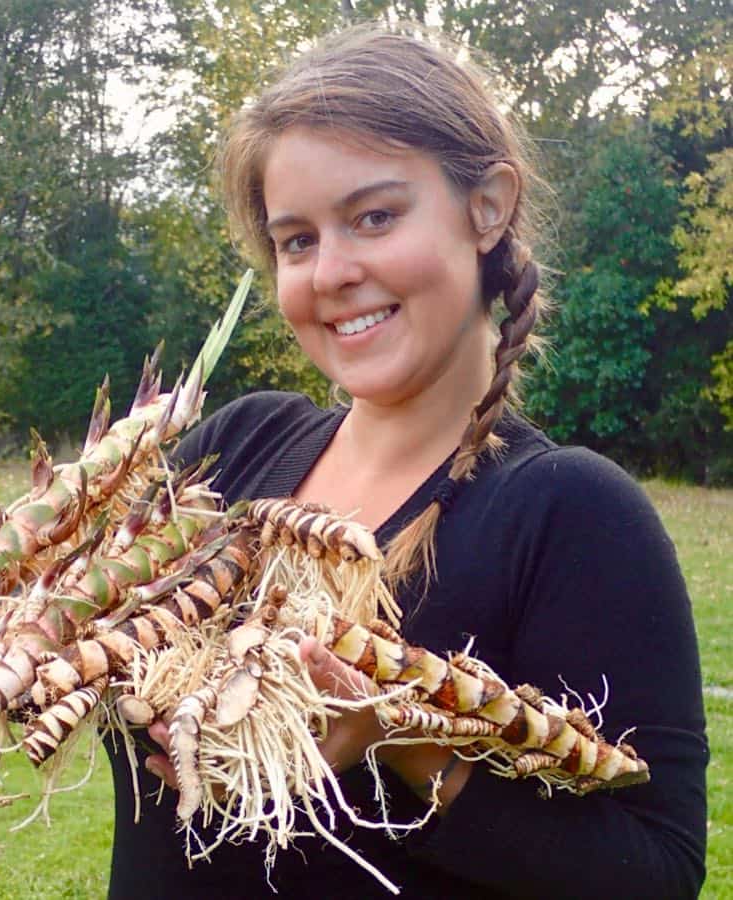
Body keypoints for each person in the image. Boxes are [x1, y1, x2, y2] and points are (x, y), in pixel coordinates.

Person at [101, 27, 707, 899]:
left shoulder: (566, 513)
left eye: (374, 217)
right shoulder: (231, 448)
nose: (331, 271)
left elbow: (654, 873)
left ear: (486, 206)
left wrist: (397, 746)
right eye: (296, 240)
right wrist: (31, 610)